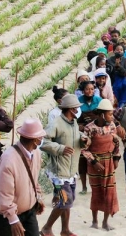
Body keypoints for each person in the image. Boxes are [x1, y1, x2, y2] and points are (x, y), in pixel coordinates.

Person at [40, 95, 87, 236]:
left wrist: (85, 140)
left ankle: (65, 230)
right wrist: (60, 148)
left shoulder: (73, 123)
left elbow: (77, 137)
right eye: (76, 108)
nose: (78, 110)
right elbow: (43, 142)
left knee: (68, 200)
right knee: (66, 200)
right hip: (59, 172)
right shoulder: (56, 123)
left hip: (71, 170)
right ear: (71, 109)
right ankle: (47, 228)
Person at [0, 118, 46, 236]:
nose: (42, 139)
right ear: (36, 140)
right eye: (41, 136)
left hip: (29, 211)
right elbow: (4, 194)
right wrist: (13, 220)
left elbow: (34, 178)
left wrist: (37, 197)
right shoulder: (9, 159)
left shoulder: (36, 153)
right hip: (7, 216)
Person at [81, 99, 120, 230]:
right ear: (102, 114)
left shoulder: (112, 126)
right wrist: (94, 161)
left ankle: (105, 222)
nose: (112, 117)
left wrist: (116, 158)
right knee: (97, 192)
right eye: (109, 114)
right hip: (94, 164)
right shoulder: (90, 128)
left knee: (109, 192)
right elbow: (84, 149)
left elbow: (116, 144)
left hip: (108, 162)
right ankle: (94, 221)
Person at [77, 81, 103, 194]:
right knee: (82, 160)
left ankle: (98, 185)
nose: (90, 91)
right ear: (83, 90)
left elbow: (103, 116)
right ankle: (84, 186)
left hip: (96, 132)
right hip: (82, 133)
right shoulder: (78, 102)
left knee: (97, 158)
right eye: (87, 89)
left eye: (92, 89)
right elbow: (74, 118)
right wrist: (80, 126)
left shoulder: (99, 101)